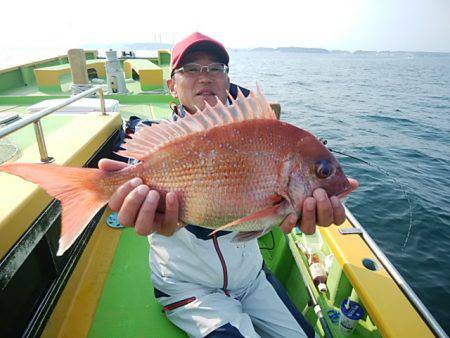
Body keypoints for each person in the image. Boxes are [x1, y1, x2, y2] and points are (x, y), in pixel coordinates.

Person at [99, 32, 358, 338]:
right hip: (189, 289)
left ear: (227, 78)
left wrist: (294, 214)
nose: (205, 77)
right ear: (172, 85)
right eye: (192, 69)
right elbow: (136, 161)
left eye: (216, 68)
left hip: (251, 280)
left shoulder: (263, 133)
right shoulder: (156, 137)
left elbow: (263, 211)